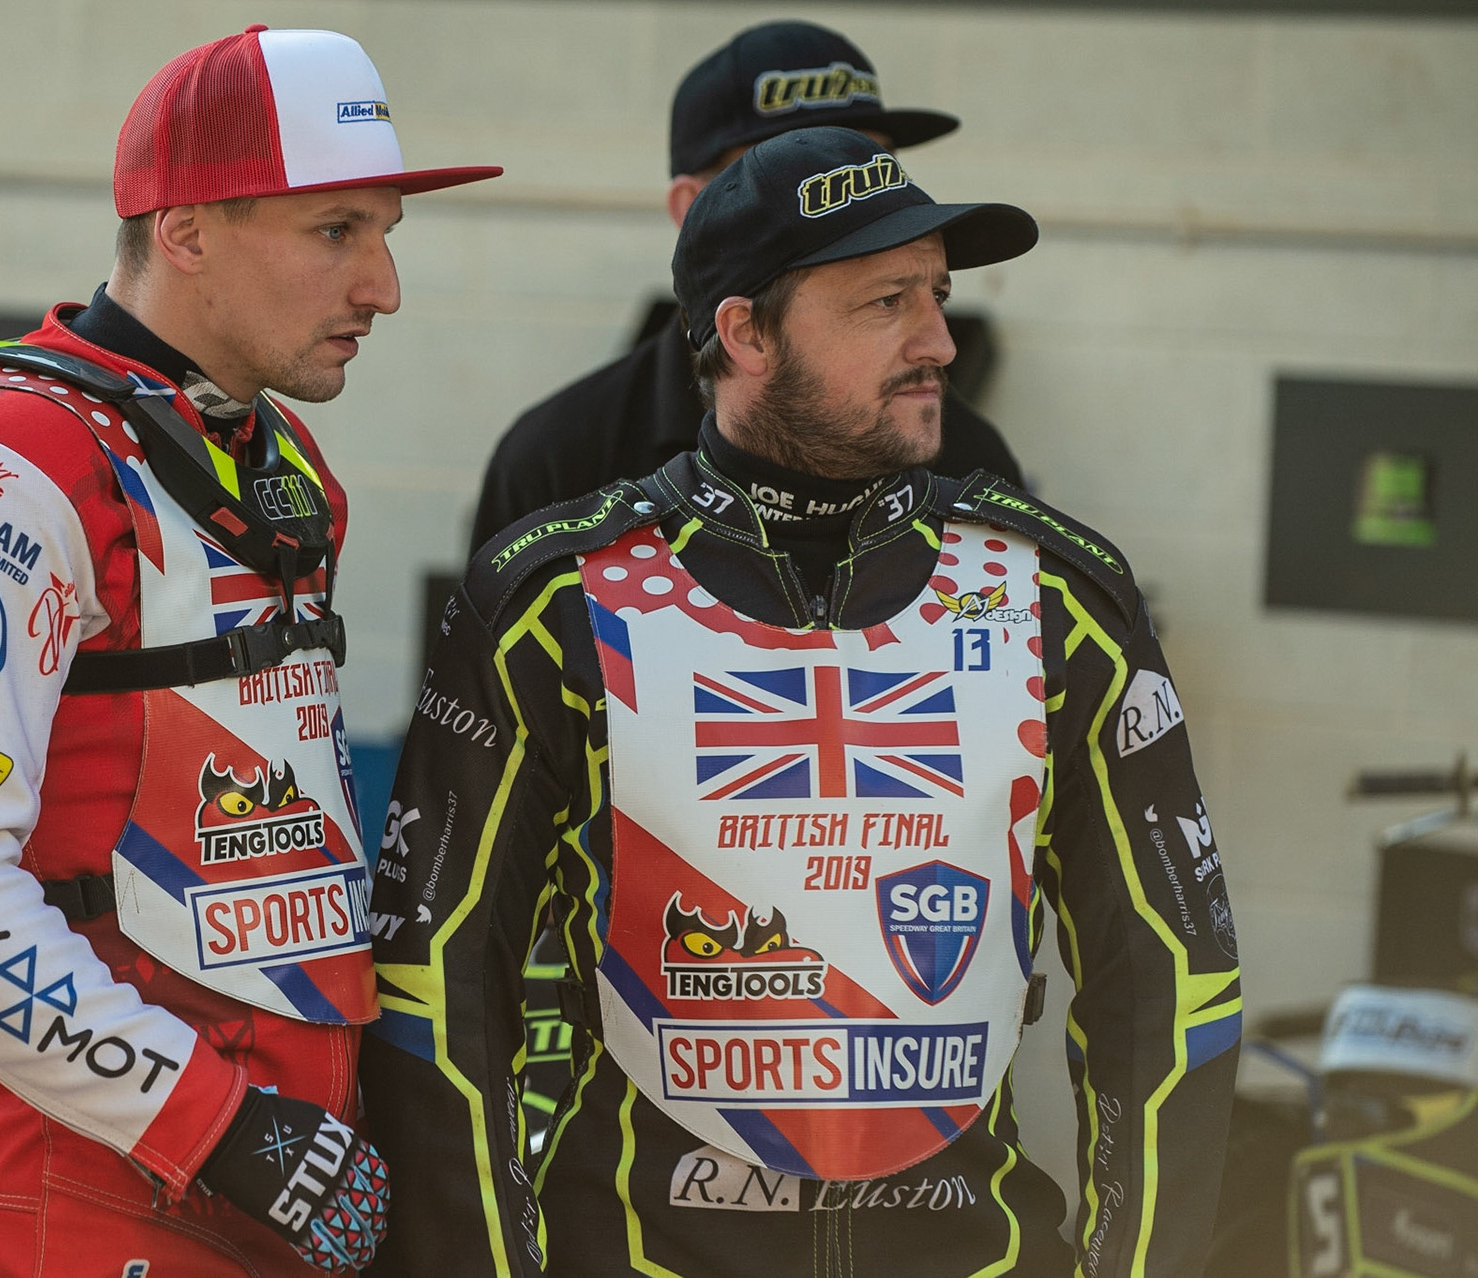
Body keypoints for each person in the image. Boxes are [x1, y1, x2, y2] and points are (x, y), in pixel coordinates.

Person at [362, 127, 1241, 1277]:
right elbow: (435, 989)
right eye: (884, 302)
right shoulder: (559, 600)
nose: (937, 342)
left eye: (936, 294)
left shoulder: (1057, 595)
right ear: (745, 333)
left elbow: (1171, 987)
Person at [0, 26, 496, 1275]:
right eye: (336, 232)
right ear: (186, 229)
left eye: (385, 236)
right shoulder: (10, 466)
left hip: (291, 1167)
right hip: (100, 1188)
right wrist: (228, 1129)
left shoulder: (279, 461)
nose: (382, 287)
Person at [469, 21, 1022, 558]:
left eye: (871, 157)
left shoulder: (969, 459)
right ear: (692, 210)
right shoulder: (561, 456)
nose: (850, 176)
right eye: (789, 160)